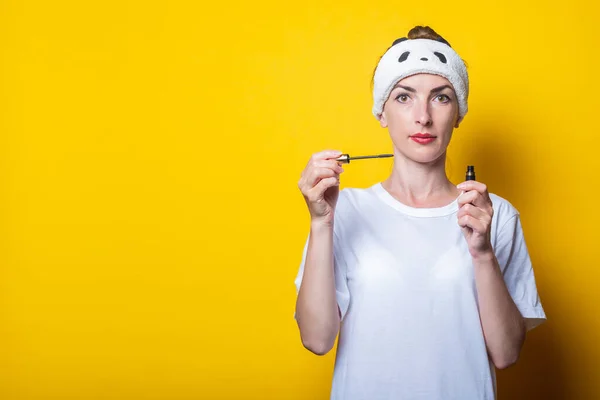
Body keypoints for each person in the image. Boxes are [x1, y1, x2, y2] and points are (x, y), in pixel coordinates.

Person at [293, 26, 546, 400]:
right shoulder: (344, 210)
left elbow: (506, 354)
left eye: (441, 98)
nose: (423, 117)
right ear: (382, 111)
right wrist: (320, 223)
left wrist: (482, 253)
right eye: (404, 97)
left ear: (458, 113)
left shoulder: (494, 216)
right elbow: (316, 339)